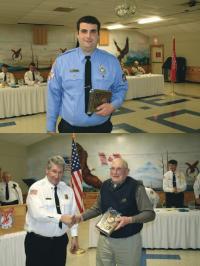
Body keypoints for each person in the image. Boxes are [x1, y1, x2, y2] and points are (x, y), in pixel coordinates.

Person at [47, 16, 128, 133]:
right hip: (69, 128)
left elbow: (121, 87)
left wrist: (113, 105)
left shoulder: (112, 61)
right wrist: (50, 127)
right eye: (84, 31)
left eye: (93, 31)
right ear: (77, 34)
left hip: (102, 127)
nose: (88, 36)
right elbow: (53, 95)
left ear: (98, 35)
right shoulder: (62, 61)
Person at [74, 158, 155, 266]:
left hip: (128, 241)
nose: (115, 172)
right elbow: (97, 208)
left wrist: (130, 220)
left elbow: (150, 214)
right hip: (105, 239)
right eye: (112, 168)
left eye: (119, 169)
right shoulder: (105, 186)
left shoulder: (136, 187)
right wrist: (81, 217)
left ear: (127, 171)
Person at [24, 155, 79, 266]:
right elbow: (37, 214)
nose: (57, 176)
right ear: (47, 170)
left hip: (60, 242)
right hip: (38, 242)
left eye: (60, 172)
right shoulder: (36, 188)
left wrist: (74, 236)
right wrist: (60, 217)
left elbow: (73, 214)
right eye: (54, 171)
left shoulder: (68, 190)